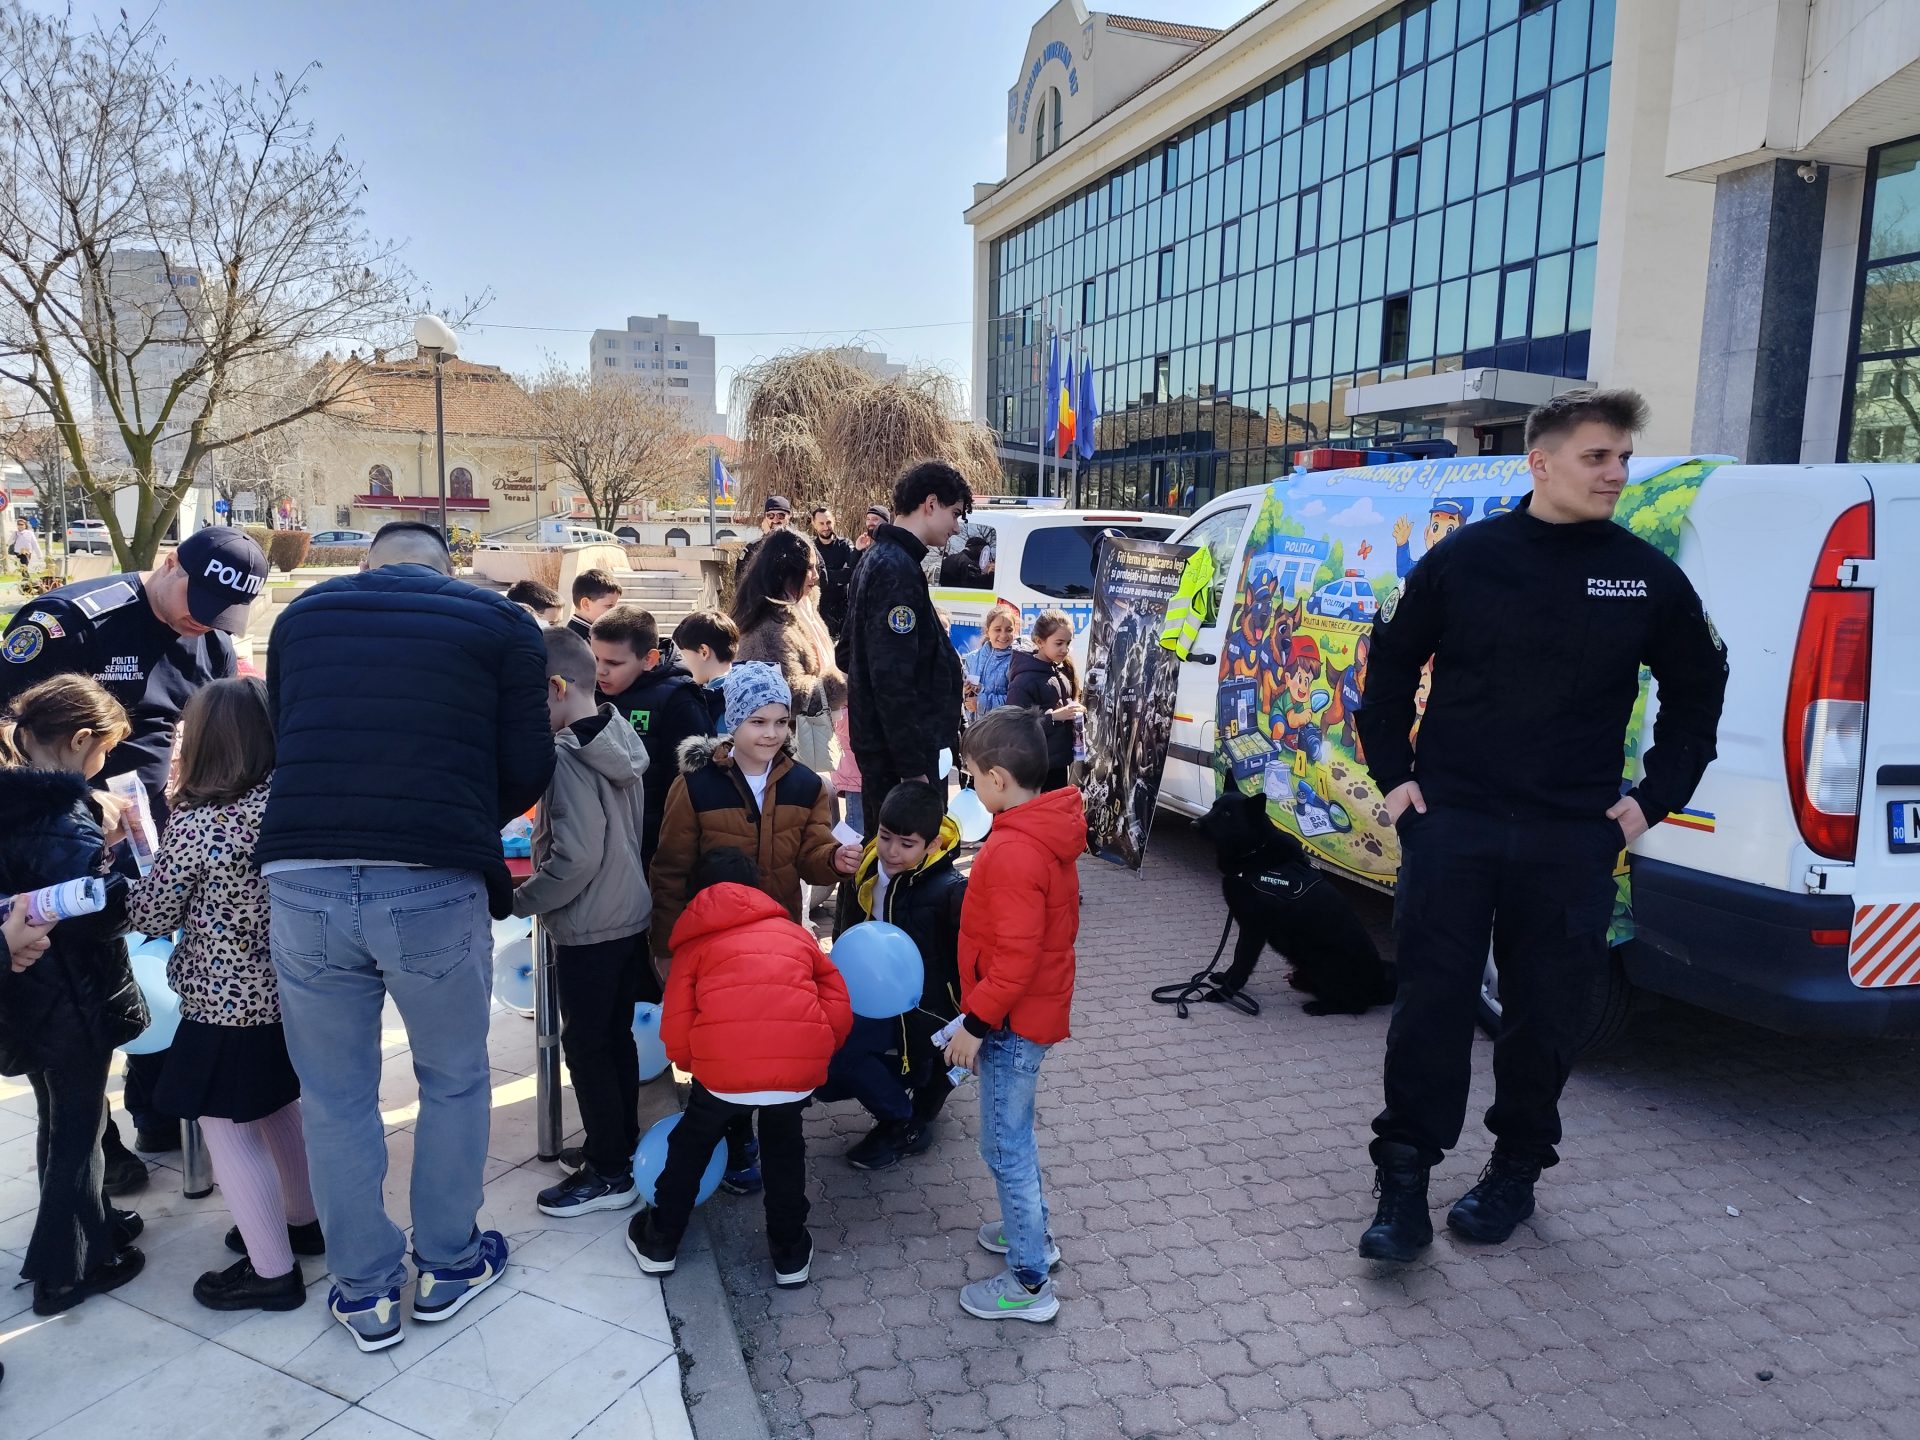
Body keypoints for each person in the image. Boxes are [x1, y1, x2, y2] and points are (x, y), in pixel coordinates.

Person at [1353, 389, 1729, 1264]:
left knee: (1545, 1014)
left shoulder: (1644, 575)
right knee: (1431, 1006)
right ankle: (1404, 1180)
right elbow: (1390, 665)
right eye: (1598, 456)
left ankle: (1515, 1172)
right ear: (1541, 462)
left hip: (1571, 835)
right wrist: (1397, 780)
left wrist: (1650, 802)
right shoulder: (1466, 559)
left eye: (1624, 457)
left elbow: (1699, 692)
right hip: (1454, 825)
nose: (1616, 472)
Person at [256, 520, 553, 1353]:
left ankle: (364, 1290)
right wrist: (458, 811)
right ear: (448, 570)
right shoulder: (500, 622)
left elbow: (288, 734)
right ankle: (449, 1263)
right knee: (453, 1078)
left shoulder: (302, 617)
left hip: (304, 874)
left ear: (367, 562)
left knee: (335, 1094)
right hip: (430, 874)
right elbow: (529, 761)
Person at [1, 526, 268, 1182]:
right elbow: (10, 730)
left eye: (218, 614)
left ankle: (155, 1108)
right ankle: (99, 1148)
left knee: (148, 981)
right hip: (60, 849)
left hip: (158, 843)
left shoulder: (212, 639)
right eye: (196, 602)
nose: (200, 620)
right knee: (75, 1008)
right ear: (170, 562)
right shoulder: (68, 626)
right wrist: (74, 797)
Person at [127, 676, 320, 1313]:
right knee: (278, 1106)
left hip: (224, 1000)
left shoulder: (200, 822)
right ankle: (303, 1222)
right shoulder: (292, 804)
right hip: (292, 991)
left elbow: (153, 914)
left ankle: (271, 1271)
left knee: (226, 1128)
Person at [648, 662, 860, 1195]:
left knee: (769, 1038)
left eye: (781, 722)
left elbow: (811, 855)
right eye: (758, 722)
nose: (771, 734)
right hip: (714, 946)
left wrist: (834, 861)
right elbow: (670, 870)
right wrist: (665, 947)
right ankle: (737, 1140)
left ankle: (771, 1134)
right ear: (734, 721)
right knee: (726, 1043)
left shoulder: (807, 785)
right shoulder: (696, 785)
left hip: (775, 941)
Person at [625, 847, 852, 1288]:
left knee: (691, 1146)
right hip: (796, 1066)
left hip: (722, 1070)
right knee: (784, 1148)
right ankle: (789, 1253)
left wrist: (697, 1064)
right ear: (756, 889)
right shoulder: (794, 933)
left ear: (698, 893)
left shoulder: (694, 945)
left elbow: (676, 1021)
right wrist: (818, 1048)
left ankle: (661, 1242)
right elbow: (836, 1000)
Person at [0, 675, 149, 1316]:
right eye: (104, 750)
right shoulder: (64, 817)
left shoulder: (16, 800)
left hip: (26, 994)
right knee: (78, 1130)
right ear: (81, 740)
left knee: (57, 1117)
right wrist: (129, 863)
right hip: (76, 999)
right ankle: (68, 1268)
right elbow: (99, 915)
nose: (104, 764)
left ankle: (97, 1222)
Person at [941, 707, 1083, 1323]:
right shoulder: (1038, 831)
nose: (970, 785)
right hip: (1023, 1015)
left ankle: (1029, 1282)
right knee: (1013, 1139)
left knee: (1005, 1147)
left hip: (1009, 1024)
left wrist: (975, 1024)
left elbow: (1015, 958)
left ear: (996, 778)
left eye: (972, 775)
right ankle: (1033, 1236)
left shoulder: (1013, 850)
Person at [510, 626, 654, 1219]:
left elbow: (576, 857)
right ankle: (616, 1144)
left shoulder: (567, 756)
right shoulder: (617, 734)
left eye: (530, 699)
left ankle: (609, 1172)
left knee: (588, 1048)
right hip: (626, 914)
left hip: (591, 925)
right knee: (613, 1039)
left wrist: (523, 900)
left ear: (557, 687)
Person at [817, 781, 965, 1169]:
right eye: (885, 837)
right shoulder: (866, 865)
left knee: (843, 1058)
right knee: (824, 1068)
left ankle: (904, 1121)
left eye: (906, 843)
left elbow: (968, 962)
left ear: (932, 844)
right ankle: (922, 1081)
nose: (892, 851)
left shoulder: (950, 891)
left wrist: (968, 1022)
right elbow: (848, 929)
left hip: (924, 1010)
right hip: (869, 997)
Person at [842, 461, 970, 843]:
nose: (957, 527)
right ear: (930, 504)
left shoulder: (880, 558)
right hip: (900, 760)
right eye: (955, 513)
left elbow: (847, 652)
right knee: (909, 860)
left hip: (889, 751)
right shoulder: (895, 568)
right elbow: (892, 678)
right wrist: (913, 769)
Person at [590, 604, 712, 867]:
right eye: (595, 658)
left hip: (654, 848)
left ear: (649, 659)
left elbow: (695, 783)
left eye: (613, 663)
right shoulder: (589, 690)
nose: (600, 670)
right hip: (599, 840)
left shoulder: (679, 699)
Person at [732, 529, 844, 779]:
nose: (816, 576)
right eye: (809, 568)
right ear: (786, 571)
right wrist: (841, 684)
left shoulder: (802, 609)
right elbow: (787, 694)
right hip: (781, 753)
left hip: (800, 744)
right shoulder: (770, 626)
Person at [1007, 610, 1084, 792]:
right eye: (1059, 643)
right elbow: (1015, 726)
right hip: (1036, 767)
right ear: (1040, 641)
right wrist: (1054, 717)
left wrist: (1076, 711)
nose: (1065, 649)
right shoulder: (1024, 680)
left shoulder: (1061, 670)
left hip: (1059, 761)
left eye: (1068, 643)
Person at [671, 611, 738, 732]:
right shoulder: (743, 689)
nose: (681, 662)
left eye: (682, 655)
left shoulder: (718, 700)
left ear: (704, 652)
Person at [964, 603, 1019, 720]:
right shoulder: (972, 658)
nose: (1003, 635)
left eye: (1009, 630)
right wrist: (965, 691)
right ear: (987, 631)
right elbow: (964, 697)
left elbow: (1016, 701)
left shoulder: (1017, 661)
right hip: (975, 727)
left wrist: (980, 703)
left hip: (1001, 728)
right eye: (997, 629)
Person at [809, 505, 857, 638]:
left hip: (843, 608)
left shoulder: (845, 545)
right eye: (821, 523)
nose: (826, 527)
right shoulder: (810, 548)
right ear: (814, 523)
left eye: (828, 522)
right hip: (818, 609)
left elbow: (854, 571)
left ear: (834, 521)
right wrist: (839, 575)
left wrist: (825, 575)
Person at [734, 494, 795, 580]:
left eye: (781, 515)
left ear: (789, 517)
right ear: (765, 518)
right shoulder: (752, 548)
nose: (775, 520)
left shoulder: (797, 547)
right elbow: (740, 581)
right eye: (770, 515)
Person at [568, 568, 624, 640]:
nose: (615, 611)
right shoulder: (581, 641)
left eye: (616, 606)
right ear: (586, 604)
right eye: (609, 606)